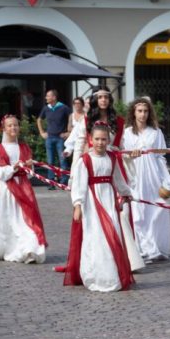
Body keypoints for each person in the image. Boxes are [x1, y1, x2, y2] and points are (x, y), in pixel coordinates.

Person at [66, 122, 135, 292]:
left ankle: (113, 273)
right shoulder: (85, 160)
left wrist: (126, 193)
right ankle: (96, 274)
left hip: (109, 200)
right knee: (95, 236)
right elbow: (79, 185)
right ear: (90, 139)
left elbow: (117, 178)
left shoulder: (112, 158)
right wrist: (78, 205)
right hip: (92, 204)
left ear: (108, 140)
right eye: (97, 139)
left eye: (104, 139)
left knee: (113, 233)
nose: (100, 142)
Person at [0, 115, 47, 263]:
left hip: (24, 188)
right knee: (12, 222)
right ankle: (12, 249)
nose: (13, 128)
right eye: (10, 126)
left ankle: (30, 250)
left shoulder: (24, 147)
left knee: (27, 221)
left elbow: (29, 174)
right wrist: (13, 168)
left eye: (15, 125)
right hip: (8, 191)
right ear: (4, 128)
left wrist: (28, 166)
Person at [122, 98, 170, 262]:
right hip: (135, 175)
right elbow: (122, 155)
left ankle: (155, 247)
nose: (143, 114)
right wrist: (130, 154)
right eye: (139, 111)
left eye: (145, 111)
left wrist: (165, 179)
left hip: (153, 176)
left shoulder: (156, 132)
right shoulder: (127, 133)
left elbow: (160, 156)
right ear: (134, 112)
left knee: (157, 210)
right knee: (138, 213)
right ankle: (141, 248)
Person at [36, 89, 71, 189]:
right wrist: (42, 132)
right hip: (49, 138)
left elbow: (71, 118)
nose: (46, 98)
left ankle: (63, 182)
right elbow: (39, 119)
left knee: (62, 160)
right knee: (50, 161)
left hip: (60, 137)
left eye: (48, 96)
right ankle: (51, 183)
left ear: (54, 97)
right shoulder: (46, 108)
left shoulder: (63, 107)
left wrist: (68, 132)